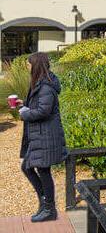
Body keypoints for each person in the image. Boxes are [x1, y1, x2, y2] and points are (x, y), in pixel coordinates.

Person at [16, 52, 66, 223]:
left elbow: (43, 111)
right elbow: (38, 106)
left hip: (46, 136)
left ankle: (49, 209)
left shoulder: (45, 87)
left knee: (42, 170)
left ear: (36, 65)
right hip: (40, 135)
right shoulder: (40, 83)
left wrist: (25, 113)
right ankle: (45, 204)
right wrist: (23, 106)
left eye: (29, 64)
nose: (27, 67)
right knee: (28, 167)